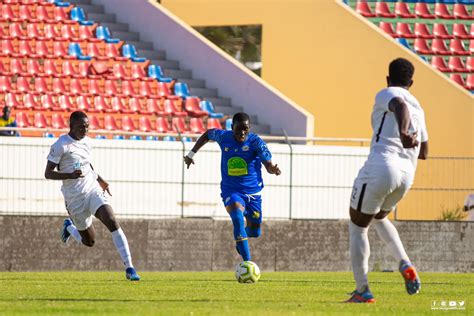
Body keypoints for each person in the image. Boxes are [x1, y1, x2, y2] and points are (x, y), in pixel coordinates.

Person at [346, 58, 429, 303]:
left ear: (387, 78)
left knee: (358, 226)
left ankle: (362, 291)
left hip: (383, 165)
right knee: (379, 217)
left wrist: (403, 133)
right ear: (411, 82)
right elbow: (424, 152)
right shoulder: (420, 110)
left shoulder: (389, 93)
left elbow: (398, 104)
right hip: (406, 175)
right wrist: (409, 137)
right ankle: (405, 263)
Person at [44, 111, 140, 281]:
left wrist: (100, 179)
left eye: (87, 126)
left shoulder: (88, 142)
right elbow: (48, 173)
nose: (85, 129)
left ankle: (130, 268)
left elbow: (87, 164)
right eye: (82, 126)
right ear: (71, 126)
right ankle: (69, 227)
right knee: (89, 241)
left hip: (92, 191)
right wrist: (69, 175)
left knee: (111, 220)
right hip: (74, 199)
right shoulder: (61, 145)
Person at [184, 112, 281, 263]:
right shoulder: (224, 137)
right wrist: (191, 154)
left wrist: (272, 169)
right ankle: (247, 264)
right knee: (237, 218)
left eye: (246, 129)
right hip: (231, 190)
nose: (242, 132)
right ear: (231, 127)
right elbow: (207, 134)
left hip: (253, 193)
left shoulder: (256, 142)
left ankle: (241, 237)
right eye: (239, 129)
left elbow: (267, 163)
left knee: (255, 232)